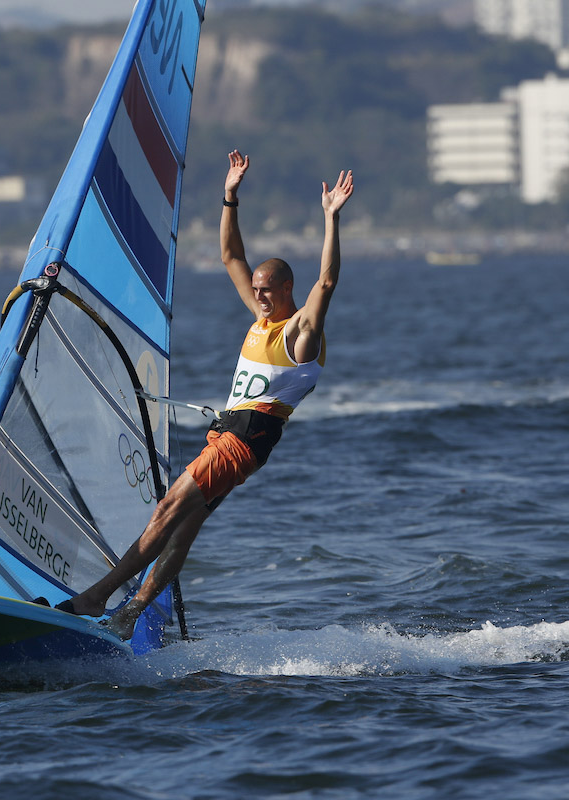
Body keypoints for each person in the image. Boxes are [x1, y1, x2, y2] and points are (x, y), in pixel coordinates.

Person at [57, 149, 354, 639]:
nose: (257, 296)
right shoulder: (261, 321)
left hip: (243, 441)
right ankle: (131, 616)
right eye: (255, 289)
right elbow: (230, 256)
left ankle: (97, 596)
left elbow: (327, 281)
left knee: (167, 509)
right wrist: (230, 197)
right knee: (182, 529)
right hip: (230, 440)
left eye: (266, 290)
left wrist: (330, 220)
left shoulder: (300, 335)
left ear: (285, 288)